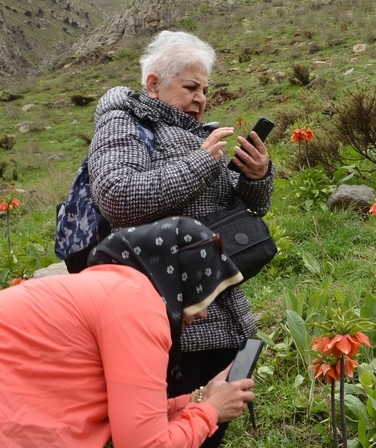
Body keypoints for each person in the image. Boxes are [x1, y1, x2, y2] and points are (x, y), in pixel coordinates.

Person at [86, 30, 274, 446]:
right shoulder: (125, 121)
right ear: (154, 83)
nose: (201, 97)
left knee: (211, 418)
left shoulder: (193, 131)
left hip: (215, 303)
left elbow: (243, 206)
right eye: (191, 86)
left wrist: (257, 176)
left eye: (205, 88)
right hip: (162, 312)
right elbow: (119, 198)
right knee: (171, 425)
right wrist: (200, 162)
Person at [0, 217, 255, 448]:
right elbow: (145, 445)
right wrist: (211, 411)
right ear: (181, 279)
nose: (203, 314)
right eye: (202, 294)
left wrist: (200, 399)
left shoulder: (115, 287)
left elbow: (134, 418)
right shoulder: (138, 306)